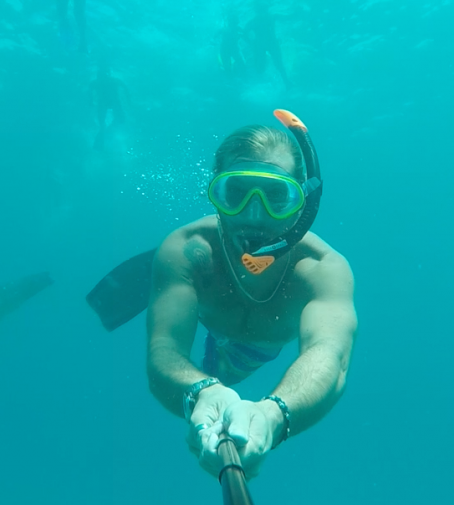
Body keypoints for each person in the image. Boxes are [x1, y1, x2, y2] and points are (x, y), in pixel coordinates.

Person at [144, 110, 356, 478]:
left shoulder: (322, 268)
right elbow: (163, 349)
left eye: (277, 197)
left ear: (303, 201)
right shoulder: (187, 251)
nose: (254, 216)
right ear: (214, 193)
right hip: (212, 322)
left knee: (228, 372)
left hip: (259, 351)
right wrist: (202, 390)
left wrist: (273, 416)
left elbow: (330, 355)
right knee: (213, 377)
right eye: (236, 194)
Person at [246, 1, 291, 88]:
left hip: (262, 45)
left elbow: (245, 33)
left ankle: (285, 82)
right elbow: (288, 17)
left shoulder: (254, 21)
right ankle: (286, 81)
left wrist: (251, 42)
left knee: (263, 66)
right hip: (271, 44)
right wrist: (297, 13)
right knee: (278, 64)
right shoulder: (272, 16)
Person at [87, 61, 130, 149]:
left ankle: (105, 134)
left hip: (107, 102)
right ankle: (104, 135)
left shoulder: (97, 82)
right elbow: (125, 87)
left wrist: (90, 101)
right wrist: (128, 99)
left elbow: (90, 90)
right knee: (116, 120)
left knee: (108, 122)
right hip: (111, 102)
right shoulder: (112, 80)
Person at [218, 11, 246, 77]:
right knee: (240, 64)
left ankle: (232, 77)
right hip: (230, 49)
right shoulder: (232, 28)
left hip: (230, 49)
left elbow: (245, 34)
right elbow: (245, 34)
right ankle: (233, 77)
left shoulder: (234, 28)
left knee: (234, 65)